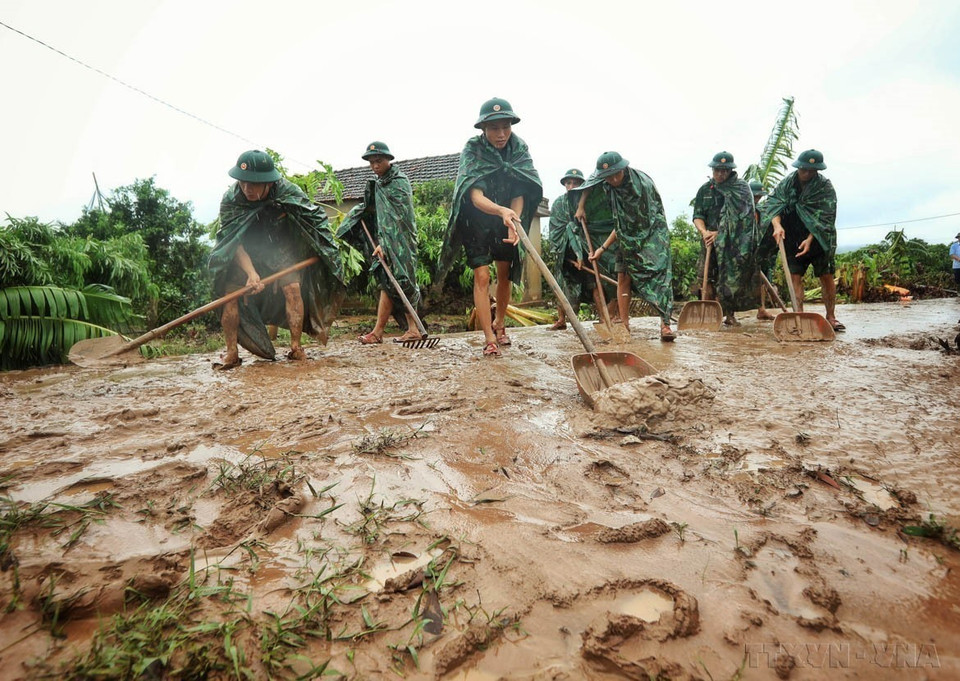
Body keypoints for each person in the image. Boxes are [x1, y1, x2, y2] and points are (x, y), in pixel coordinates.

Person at [208, 150, 345, 369]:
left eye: (253, 184)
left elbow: (315, 219)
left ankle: (296, 347)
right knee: (230, 295)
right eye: (243, 182)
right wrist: (251, 273)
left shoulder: (288, 191)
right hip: (244, 249)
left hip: (280, 245)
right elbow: (233, 241)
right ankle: (232, 352)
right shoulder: (232, 199)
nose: (247, 189)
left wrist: (323, 250)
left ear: (268, 183)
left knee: (292, 288)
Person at [437, 97, 543, 357]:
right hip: (476, 222)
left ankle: (500, 323)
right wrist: (501, 211)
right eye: (495, 128)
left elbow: (520, 191)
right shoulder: (473, 149)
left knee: (504, 275)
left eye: (506, 126)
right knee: (482, 276)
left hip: (506, 221)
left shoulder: (518, 148)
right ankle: (488, 338)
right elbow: (475, 197)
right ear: (483, 128)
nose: (502, 134)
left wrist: (513, 220)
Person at [575, 151, 675, 340]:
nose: (613, 179)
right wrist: (581, 206)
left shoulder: (640, 188)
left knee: (659, 277)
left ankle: (665, 325)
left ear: (624, 168)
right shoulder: (607, 180)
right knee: (623, 276)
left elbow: (628, 225)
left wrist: (602, 248)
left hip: (651, 233)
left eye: (616, 174)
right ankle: (624, 324)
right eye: (608, 176)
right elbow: (590, 182)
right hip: (626, 234)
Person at [337, 142, 422, 344]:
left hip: (402, 242)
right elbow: (380, 216)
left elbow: (400, 218)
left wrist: (387, 244)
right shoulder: (379, 185)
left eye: (379, 161)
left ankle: (413, 329)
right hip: (385, 241)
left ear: (388, 160)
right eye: (371, 162)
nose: (375, 166)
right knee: (387, 283)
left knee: (405, 281)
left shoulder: (399, 183)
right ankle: (377, 332)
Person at [763, 149, 842, 331]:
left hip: (819, 239)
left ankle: (831, 316)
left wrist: (810, 239)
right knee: (795, 277)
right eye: (803, 169)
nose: (806, 173)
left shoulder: (825, 188)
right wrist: (777, 225)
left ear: (817, 171)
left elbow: (827, 217)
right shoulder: (787, 184)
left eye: (810, 170)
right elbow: (773, 205)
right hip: (792, 237)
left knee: (826, 276)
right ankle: (799, 316)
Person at [690, 152, 759, 326]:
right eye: (717, 170)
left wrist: (720, 234)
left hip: (731, 245)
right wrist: (704, 232)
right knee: (705, 279)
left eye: (724, 170)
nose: (720, 174)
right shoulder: (705, 190)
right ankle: (708, 317)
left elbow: (744, 218)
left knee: (729, 280)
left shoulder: (741, 189)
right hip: (708, 242)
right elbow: (697, 215)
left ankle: (729, 314)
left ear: (730, 171)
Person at [547, 168, 604, 330]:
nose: (572, 186)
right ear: (565, 185)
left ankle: (603, 319)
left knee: (594, 284)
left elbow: (593, 227)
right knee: (561, 286)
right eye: (569, 183)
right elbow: (560, 229)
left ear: (582, 185)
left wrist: (583, 253)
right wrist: (574, 253)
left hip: (588, 250)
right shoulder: (559, 204)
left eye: (576, 183)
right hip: (566, 252)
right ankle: (561, 319)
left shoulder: (589, 202)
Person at [751, 180, 778, 320]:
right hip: (740, 251)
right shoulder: (740, 209)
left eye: (759, 196)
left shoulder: (763, 211)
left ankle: (761, 310)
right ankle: (729, 314)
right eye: (755, 196)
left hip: (759, 253)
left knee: (761, 282)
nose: (757, 199)